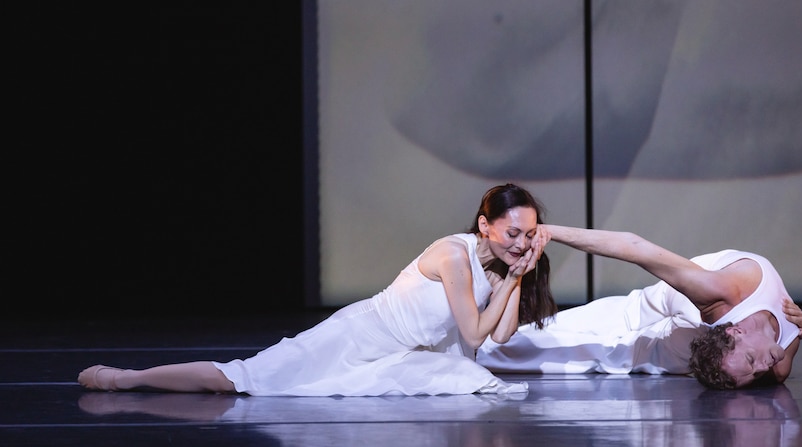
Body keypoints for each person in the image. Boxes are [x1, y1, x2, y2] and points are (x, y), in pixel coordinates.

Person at [78, 183, 557, 396]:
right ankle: (128, 378)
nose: (520, 242)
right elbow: (474, 336)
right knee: (243, 378)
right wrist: (515, 277)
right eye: (512, 233)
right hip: (359, 338)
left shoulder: (500, 270)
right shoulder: (455, 255)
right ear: (485, 225)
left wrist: (519, 275)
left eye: (528, 234)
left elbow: (500, 336)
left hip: (399, 356)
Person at [477, 224, 802, 389]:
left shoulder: (775, 356)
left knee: (577, 356)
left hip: (673, 344)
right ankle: (468, 341)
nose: (761, 368)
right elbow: (634, 247)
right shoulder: (721, 294)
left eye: (751, 375)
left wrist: (799, 335)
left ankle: (470, 351)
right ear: (735, 329)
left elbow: (774, 372)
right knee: (547, 336)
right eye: (752, 361)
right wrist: (551, 231)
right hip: (648, 310)